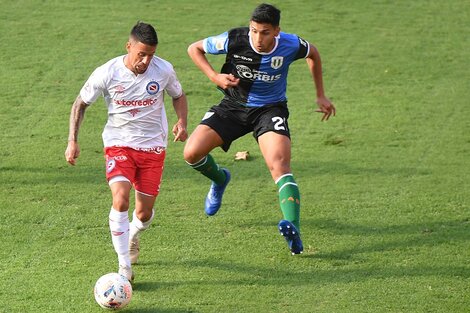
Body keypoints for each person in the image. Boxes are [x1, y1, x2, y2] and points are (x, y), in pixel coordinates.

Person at [183, 3, 335, 255]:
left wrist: (321, 95)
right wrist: (214, 77)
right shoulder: (234, 39)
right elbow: (194, 48)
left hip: (269, 110)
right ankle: (220, 179)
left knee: (280, 166)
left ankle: (293, 229)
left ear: (277, 31)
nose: (258, 38)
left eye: (264, 32)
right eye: (254, 31)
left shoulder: (291, 44)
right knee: (191, 153)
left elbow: (314, 54)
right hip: (232, 106)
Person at [65, 22, 188, 281]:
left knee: (144, 214)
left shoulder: (163, 70)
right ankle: (124, 267)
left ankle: (133, 234)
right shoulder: (107, 72)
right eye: (140, 54)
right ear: (128, 46)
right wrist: (72, 141)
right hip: (118, 144)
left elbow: (178, 95)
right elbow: (80, 103)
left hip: (153, 147)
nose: (145, 61)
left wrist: (182, 121)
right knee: (120, 199)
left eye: (150, 55)